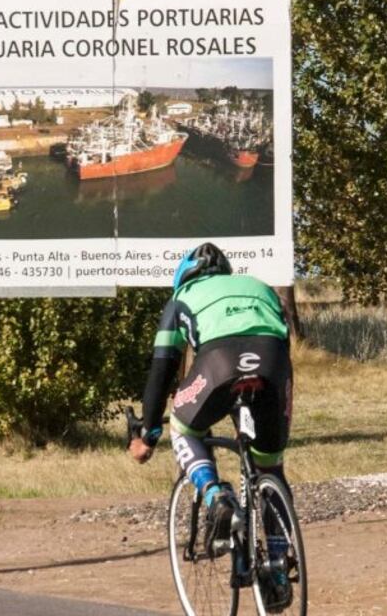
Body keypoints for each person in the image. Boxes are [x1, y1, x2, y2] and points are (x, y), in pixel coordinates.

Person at [128, 242, 294, 610]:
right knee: (270, 464)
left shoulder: (181, 299)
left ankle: (215, 495)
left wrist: (149, 432)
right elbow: (283, 340)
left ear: (181, 278)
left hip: (218, 363)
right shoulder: (259, 286)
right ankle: (280, 568)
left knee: (184, 428)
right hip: (272, 362)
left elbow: (163, 366)